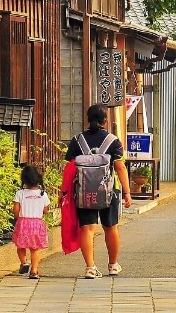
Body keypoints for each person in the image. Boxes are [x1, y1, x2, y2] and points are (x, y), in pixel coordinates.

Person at [64, 104, 132, 279]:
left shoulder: (77, 140)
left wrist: (63, 193)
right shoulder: (113, 141)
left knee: (87, 228)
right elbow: (120, 168)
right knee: (110, 227)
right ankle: (113, 265)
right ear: (105, 120)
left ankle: (90, 268)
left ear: (88, 119)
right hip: (109, 191)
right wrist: (127, 192)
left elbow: (69, 169)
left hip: (84, 191)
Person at [13, 165, 50, 279]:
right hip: (37, 223)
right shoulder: (42, 194)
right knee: (34, 249)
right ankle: (34, 271)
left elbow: (16, 210)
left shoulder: (20, 193)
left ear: (24, 179)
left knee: (20, 246)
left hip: (23, 222)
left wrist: (17, 219)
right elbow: (46, 210)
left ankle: (24, 262)